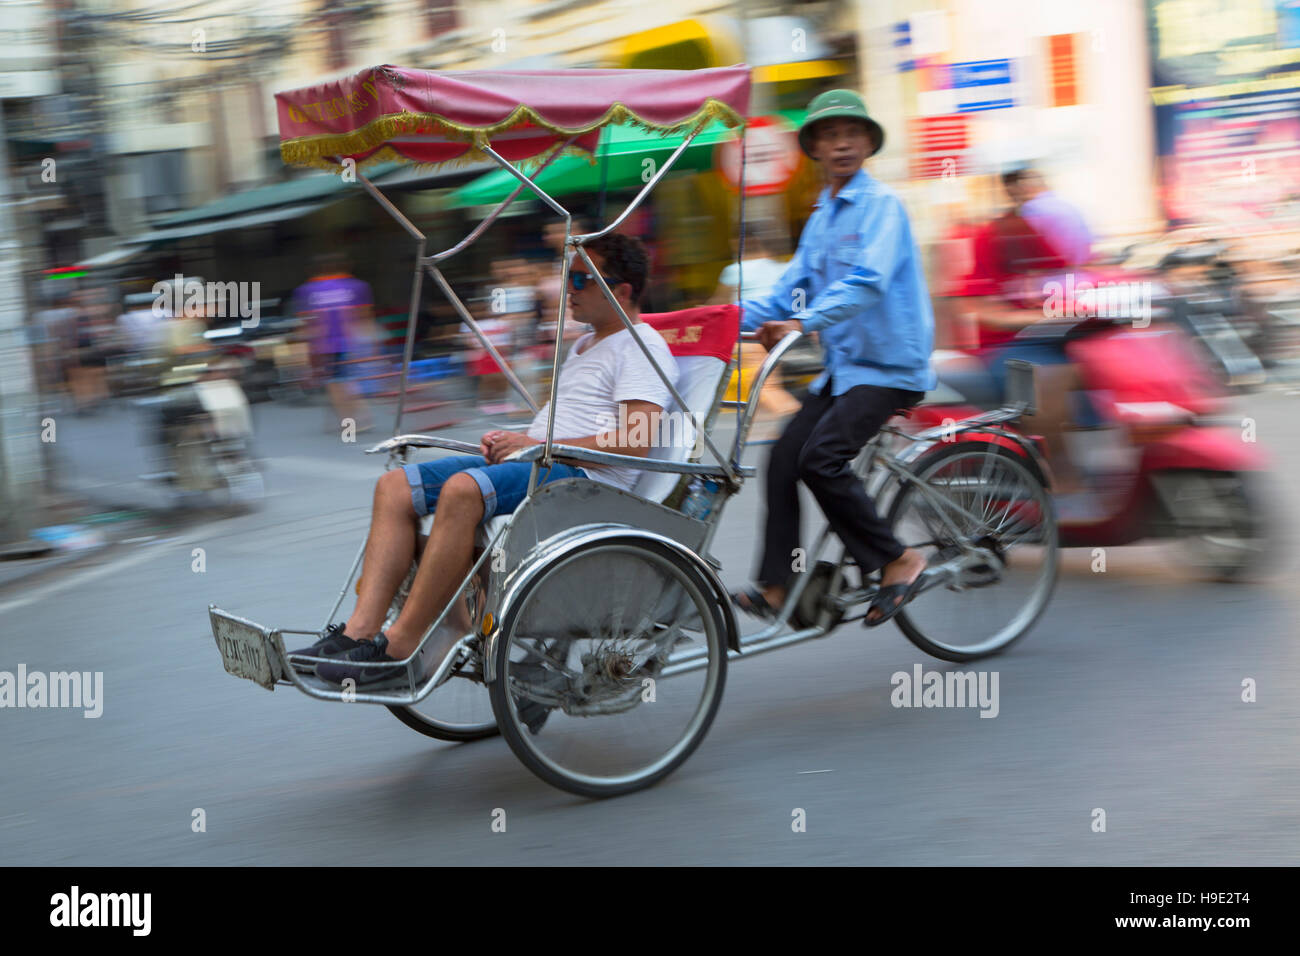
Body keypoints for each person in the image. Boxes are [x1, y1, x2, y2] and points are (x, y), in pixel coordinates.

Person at [290, 233, 677, 689]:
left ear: (623, 290)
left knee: (462, 491)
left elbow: (637, 440)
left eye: (582, 280)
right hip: (542, 463)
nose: (569, 289)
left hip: (585, 483)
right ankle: (359, 631)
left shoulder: (641, 347)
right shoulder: (584, 345)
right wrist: (514, 441)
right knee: (393, 487)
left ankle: (399, 647)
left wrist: (539, 444)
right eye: (567, 277)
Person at [729, 89, 937, 627]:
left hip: (889, 368)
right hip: (843, 371)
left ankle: (899, 559)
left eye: (851, 134)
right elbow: (786, 290)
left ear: (867, 143)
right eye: (829, 135)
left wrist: (800, 323)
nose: (841, 144)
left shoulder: (882, 207)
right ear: (815, 148)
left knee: (820, 460)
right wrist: (715, 320)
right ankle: (779, 584)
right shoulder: (821, 216)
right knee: (779, 460)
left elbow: (866, 283)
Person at [710, 223, 802, 426]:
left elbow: (719, 306)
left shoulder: (734, 270)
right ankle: (764, 433)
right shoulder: (780, 269)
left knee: (765, 388)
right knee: (761, 386)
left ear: (737, 243)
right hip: (777, 335)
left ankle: (797, 422)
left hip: (747, 337)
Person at [291, 252, 374, 432]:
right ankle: (358, 417)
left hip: (325, 345)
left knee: (336, 383)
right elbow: (365, 317)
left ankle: (350, 423)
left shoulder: (306, 291)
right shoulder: (358, 286)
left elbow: (307, 323)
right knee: (348, 379)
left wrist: (306, 351)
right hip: (353, 342)